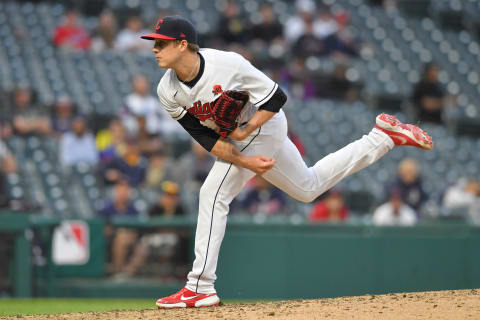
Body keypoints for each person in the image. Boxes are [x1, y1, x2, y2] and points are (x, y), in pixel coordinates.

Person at [140, 15, 433, 308]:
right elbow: (206, 139)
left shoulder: (227, 64)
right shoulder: (167, 91)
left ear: (182, 44)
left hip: (266, 126)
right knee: (308, 188)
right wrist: (247, 161)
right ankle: (382, 137)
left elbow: (277, 97)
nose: (154, 48)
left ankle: (200, 286)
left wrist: (246, 130)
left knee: (213, 193)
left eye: (161, 43)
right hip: (239, 141)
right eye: (154, 43)